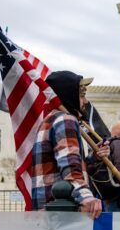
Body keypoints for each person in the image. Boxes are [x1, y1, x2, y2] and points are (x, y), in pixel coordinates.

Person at [32, 70, 104, 218]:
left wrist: (95, 157)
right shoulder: (65, 120)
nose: (85, 102)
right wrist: (86, 197)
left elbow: (63, 162)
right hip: (63, 214)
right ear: (68, 94)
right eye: (82, 95)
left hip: (46, 212)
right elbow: (70, 167)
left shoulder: (50, 120)